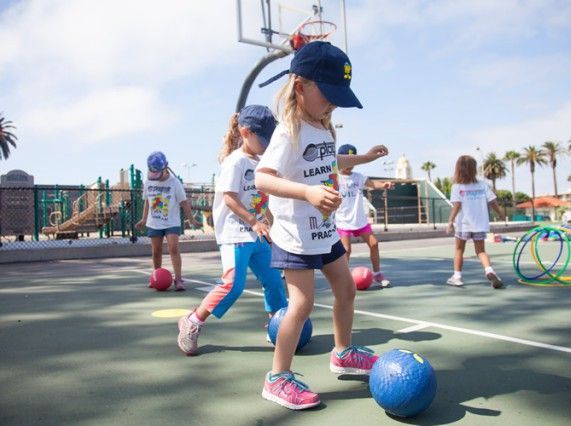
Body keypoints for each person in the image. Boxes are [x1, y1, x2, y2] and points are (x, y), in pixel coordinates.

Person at [255, 41, 388, 410]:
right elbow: (263, 179)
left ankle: (343, 353)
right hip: (295, 235)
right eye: (327, 95)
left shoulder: (324, 129)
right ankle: (277, 377)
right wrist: (308, 194)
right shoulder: (289, 131)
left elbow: (334, 164)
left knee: (346, 289)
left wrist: (366, 157)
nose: (332, 104)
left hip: (324, 231)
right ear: (301, 86)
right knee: (301, 304)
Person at [176, 105, 288, 356]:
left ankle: (279, 325)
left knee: (273, 280)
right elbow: (229, 199)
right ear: (246, 132)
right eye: (264, 139)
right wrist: (254, 221)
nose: (268, 145)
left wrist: (269, 222)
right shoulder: (235, 162)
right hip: (235, 234)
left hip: (256, 233)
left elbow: (263, 197)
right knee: (232, 285)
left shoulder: (261, 162)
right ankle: (192, 321)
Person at [136, 151, 201, 291]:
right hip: (154, 222)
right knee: (156, 251)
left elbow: (184, 202)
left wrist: (191, 219)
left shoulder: (175, 183)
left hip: (172, 222)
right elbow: (147, 201)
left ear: (165, 167)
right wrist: (143, 218)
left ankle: (178, 279)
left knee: (173, 248)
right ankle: (156, 276)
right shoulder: (148, 182)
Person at [335, 143, 394, 287]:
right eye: (347, 160)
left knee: (374, 244)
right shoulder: (335, 178)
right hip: (343, 221)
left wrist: (384, 185)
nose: (350, 164)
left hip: (360, 220)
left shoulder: (359, 177)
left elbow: (372, 184)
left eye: (353, 160)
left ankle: (377, 274)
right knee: (346, 251)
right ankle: (344, 279)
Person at [446, 155, 505, 289]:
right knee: (481, 251)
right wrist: (501, 214)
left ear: (458, 169)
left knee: (459, 250)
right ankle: (489, 271)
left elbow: (456, 206)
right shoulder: (482, 185)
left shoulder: (457, 187)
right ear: (474, 169)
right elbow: (493, 202)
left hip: (463, 225)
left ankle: (457, 277)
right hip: (480, 225)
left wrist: (450, 222)